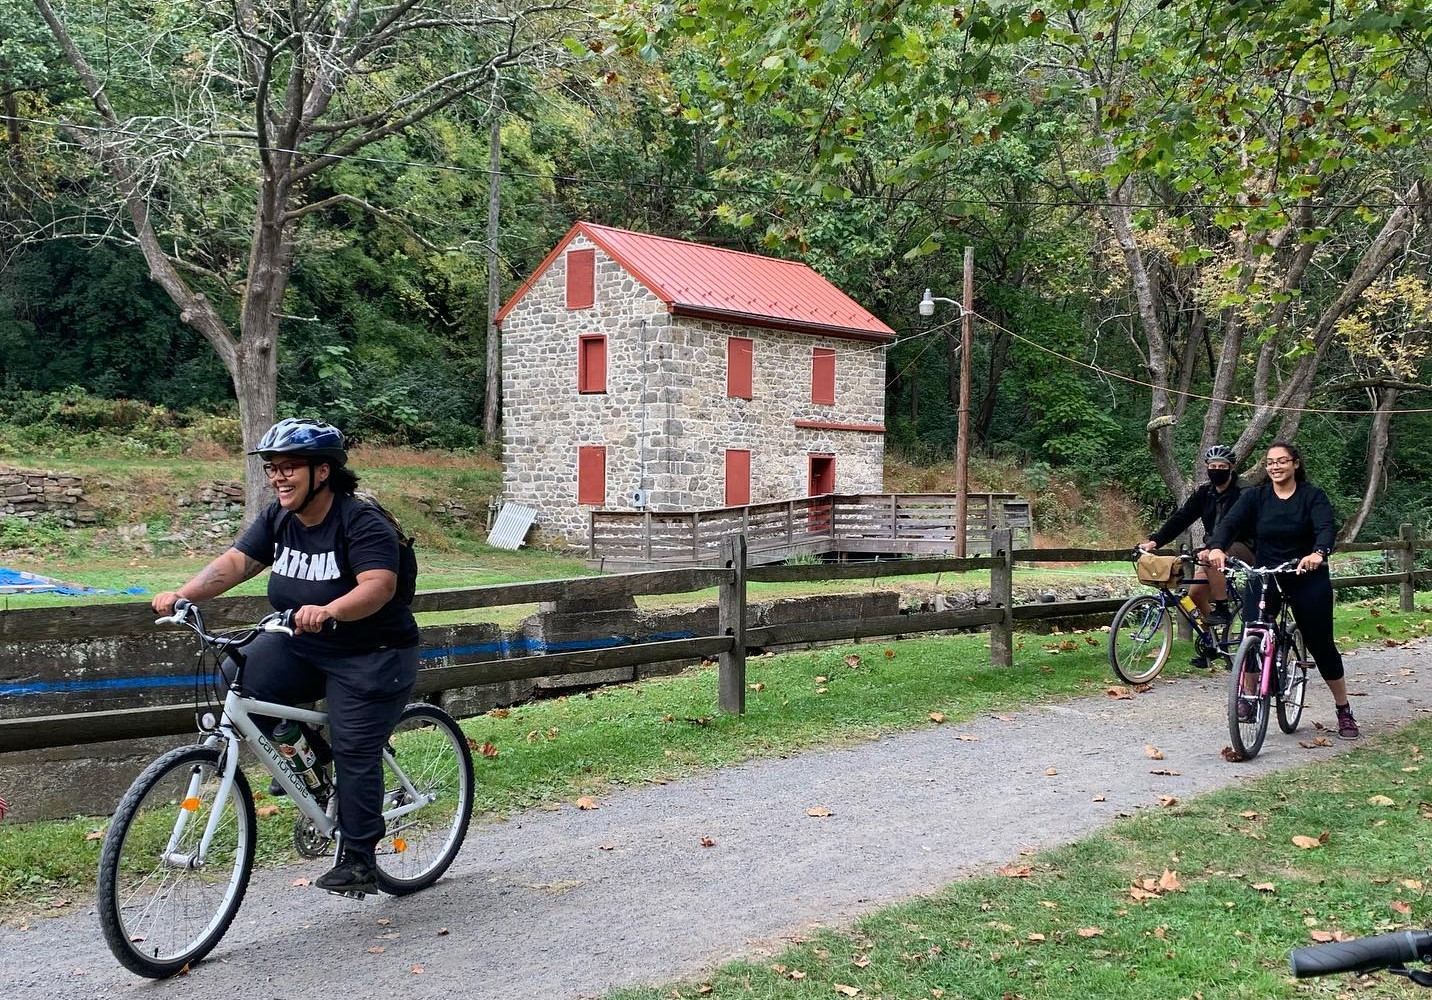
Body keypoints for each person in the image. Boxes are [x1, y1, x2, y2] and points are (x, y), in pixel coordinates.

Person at [153, 418, 420, 893]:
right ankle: (308, 763)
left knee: (354, 746)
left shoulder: (361, 521)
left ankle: (358, 859)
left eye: (289, 467)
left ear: (323, 472)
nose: (277, 477)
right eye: (272, 468)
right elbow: (238, 561)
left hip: (372, 653)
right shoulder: (279, 518)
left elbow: (379, 586)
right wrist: (184, 595)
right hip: (304, 646)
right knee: (238, 670)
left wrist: (330, 610)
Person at [1205, 441, 1357, 739]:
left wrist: (1319, 553)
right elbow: (1230, 523)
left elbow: (1326, 528)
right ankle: (1249, 699)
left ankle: (1343, 708)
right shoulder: (1257, 497)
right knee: (1252, 630)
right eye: (1270, 462)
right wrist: (1216, 547)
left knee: (1320, 643)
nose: (1275, 466)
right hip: (1266, 574)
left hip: (1305, 573)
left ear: (1295, 464)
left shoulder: (1312, 496)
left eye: (1282, 461)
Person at [1138, 445, 1254, 665]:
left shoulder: (1244, 492)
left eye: (1222, 466)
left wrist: (1215, 547)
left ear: (1231, 468)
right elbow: (1182, 517)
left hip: (1243, 545)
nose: (1216, 470)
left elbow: (1239, 523)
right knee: (1195, 595)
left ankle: (1222, 607)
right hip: (1213, 547)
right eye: (1212, 466)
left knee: (1211, 558)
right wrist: (1155, 540)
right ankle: (1214, 644)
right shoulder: (1205, 492)